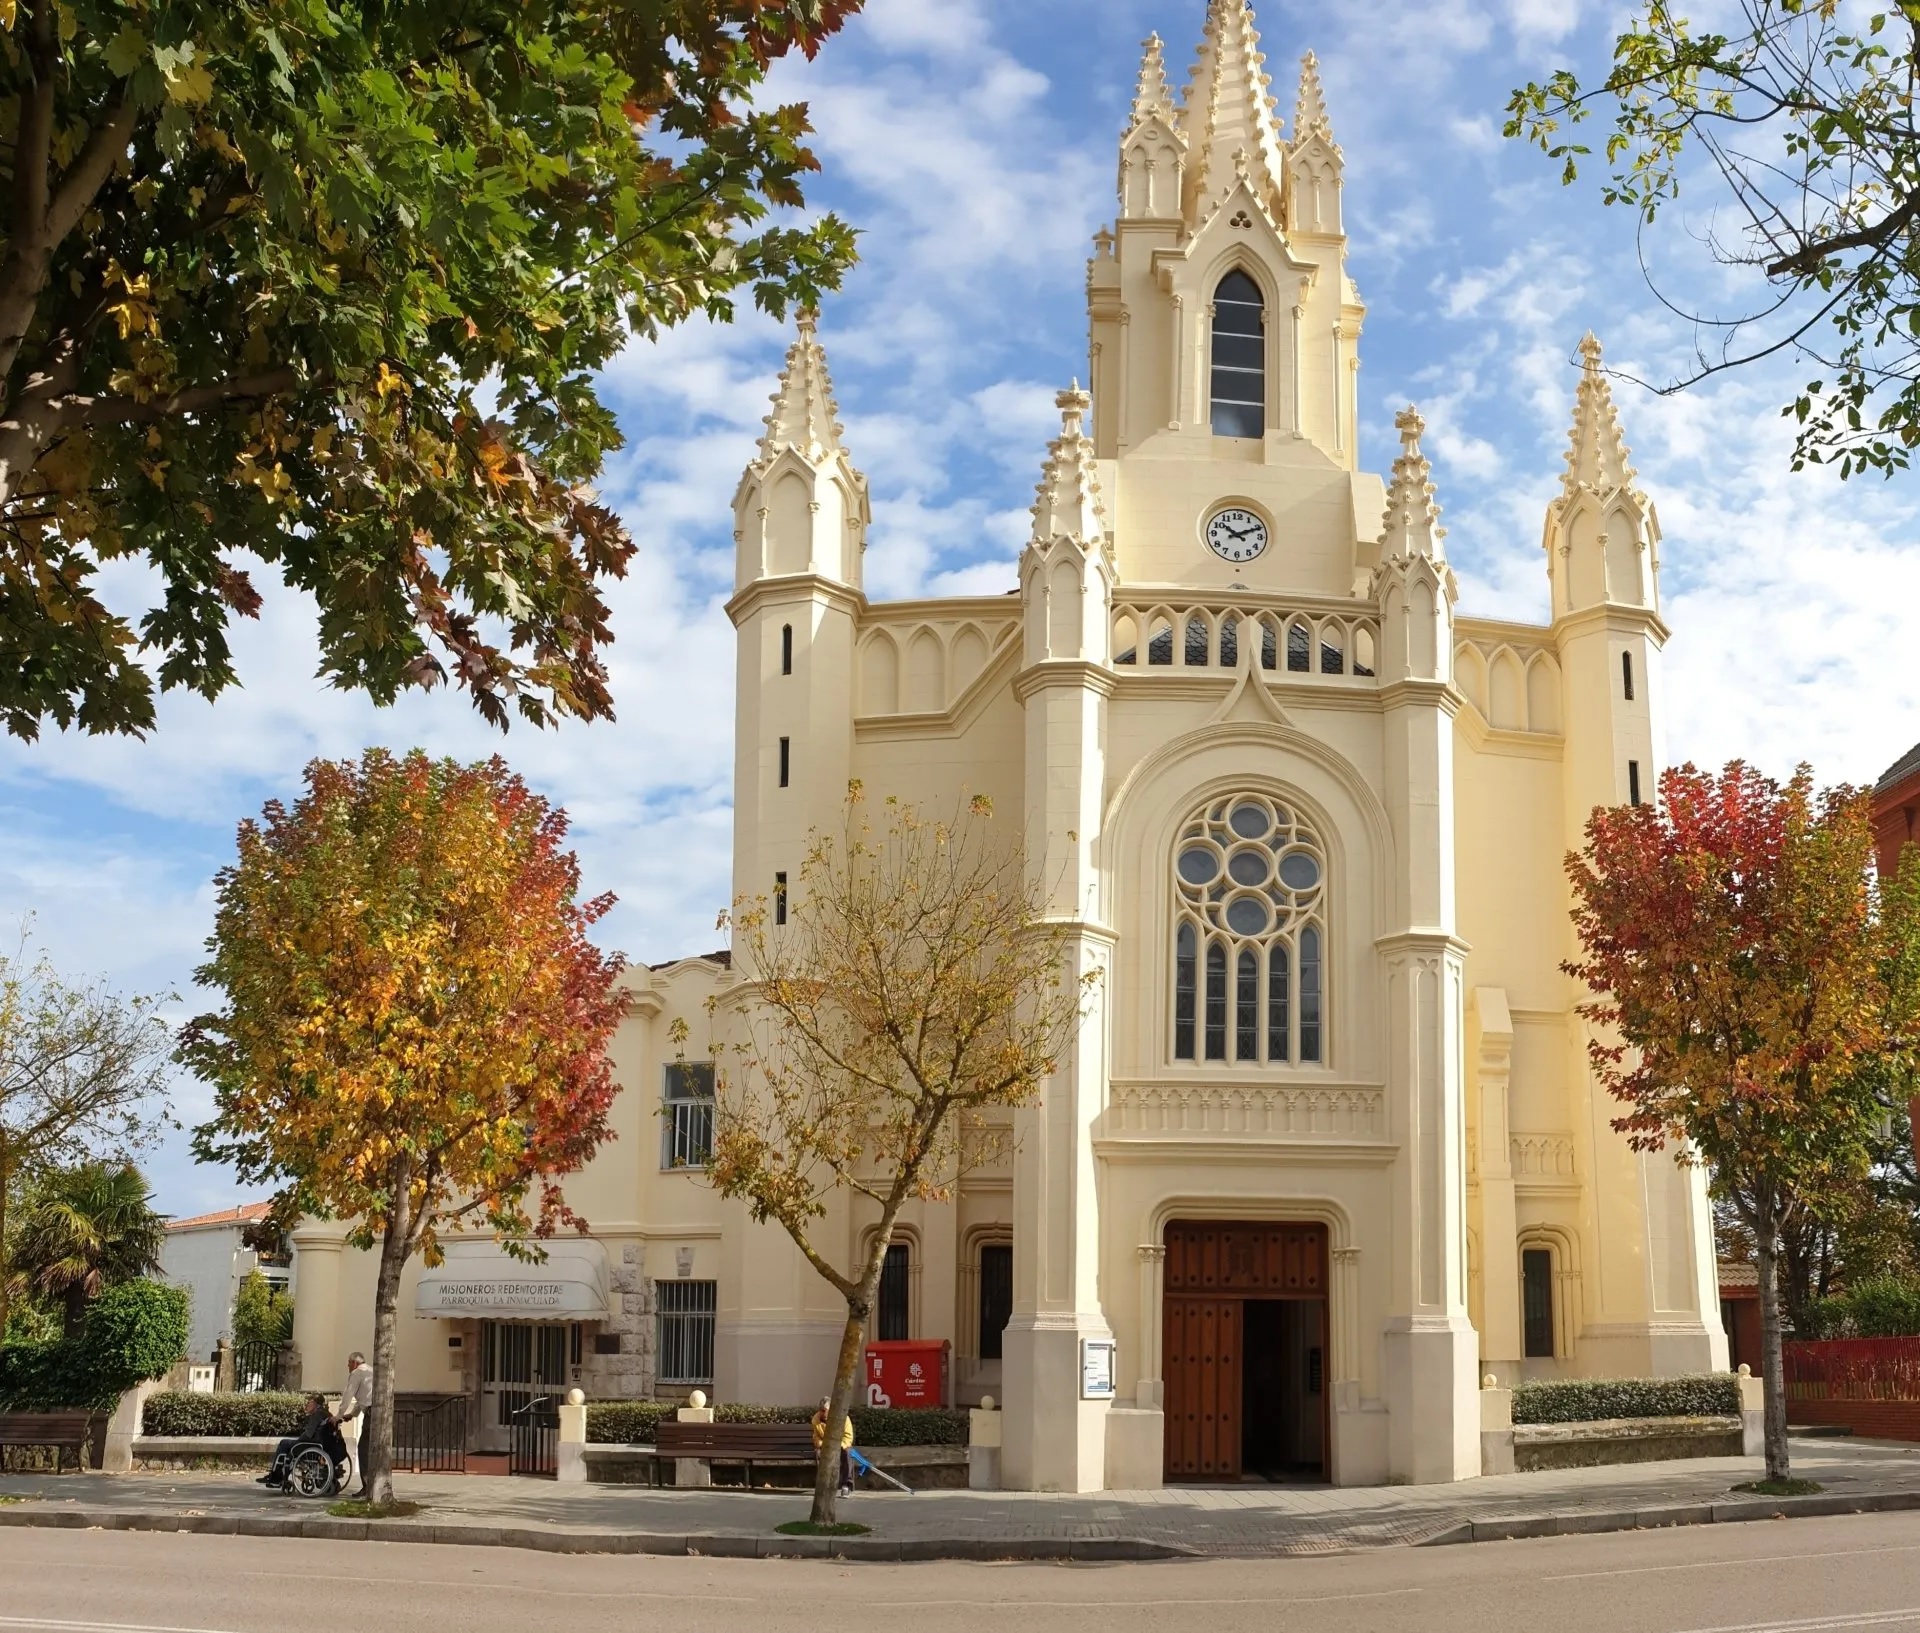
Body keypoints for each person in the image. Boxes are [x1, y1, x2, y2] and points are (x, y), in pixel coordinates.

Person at [257, 1395, 344, 1491]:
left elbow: (308, 1434)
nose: (306, 1405)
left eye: (309, 1402)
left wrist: (298, 1440)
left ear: (315, 1403)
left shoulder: (317, 1415)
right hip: (318, 1445)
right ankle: (279, 1474)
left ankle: (276, 1476)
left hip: (310, 1445)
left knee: (284, 1443)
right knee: (288, 1445)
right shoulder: (326, 1414)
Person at [333, 1351, 373, 1497]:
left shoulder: (356, 1373)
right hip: (377, 1412)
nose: (347, 1365)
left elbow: (348, 1394)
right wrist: (352, 1414)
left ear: (355, 1363)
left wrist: (338, 1415)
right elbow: (364, 1397)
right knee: (373, 1449)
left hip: (371, 1414)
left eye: (349, 1362)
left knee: (363, 1449)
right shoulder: (370, 1371)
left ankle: (367, 1485)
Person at [811, 1396, 855, 1497]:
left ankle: (846, 1485)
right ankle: (824, 1484)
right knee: (818, 1453)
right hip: (826, 1446)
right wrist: (821, 1443)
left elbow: (848, 1437)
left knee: (848, 1453)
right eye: (821, 1410)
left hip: (841, 1445)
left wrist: (840, 1445)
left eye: (825, 1410)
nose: (823, 1413)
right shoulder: (816, 1419)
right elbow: (816, 1437)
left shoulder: (844, 1418)